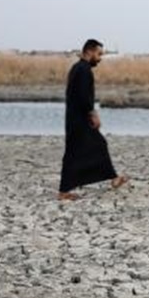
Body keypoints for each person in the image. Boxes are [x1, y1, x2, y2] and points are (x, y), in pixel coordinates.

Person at [57, 39, 128, 201]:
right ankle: (63, 191)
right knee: (79, 152)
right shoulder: (83, 70)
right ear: (89, 51)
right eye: (99, 54)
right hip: (79, 119)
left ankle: (113, 178)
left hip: (75, 117)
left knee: (95, 146)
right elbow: (83, 97)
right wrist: (93, 114)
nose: (100, 58)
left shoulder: (79, 68)